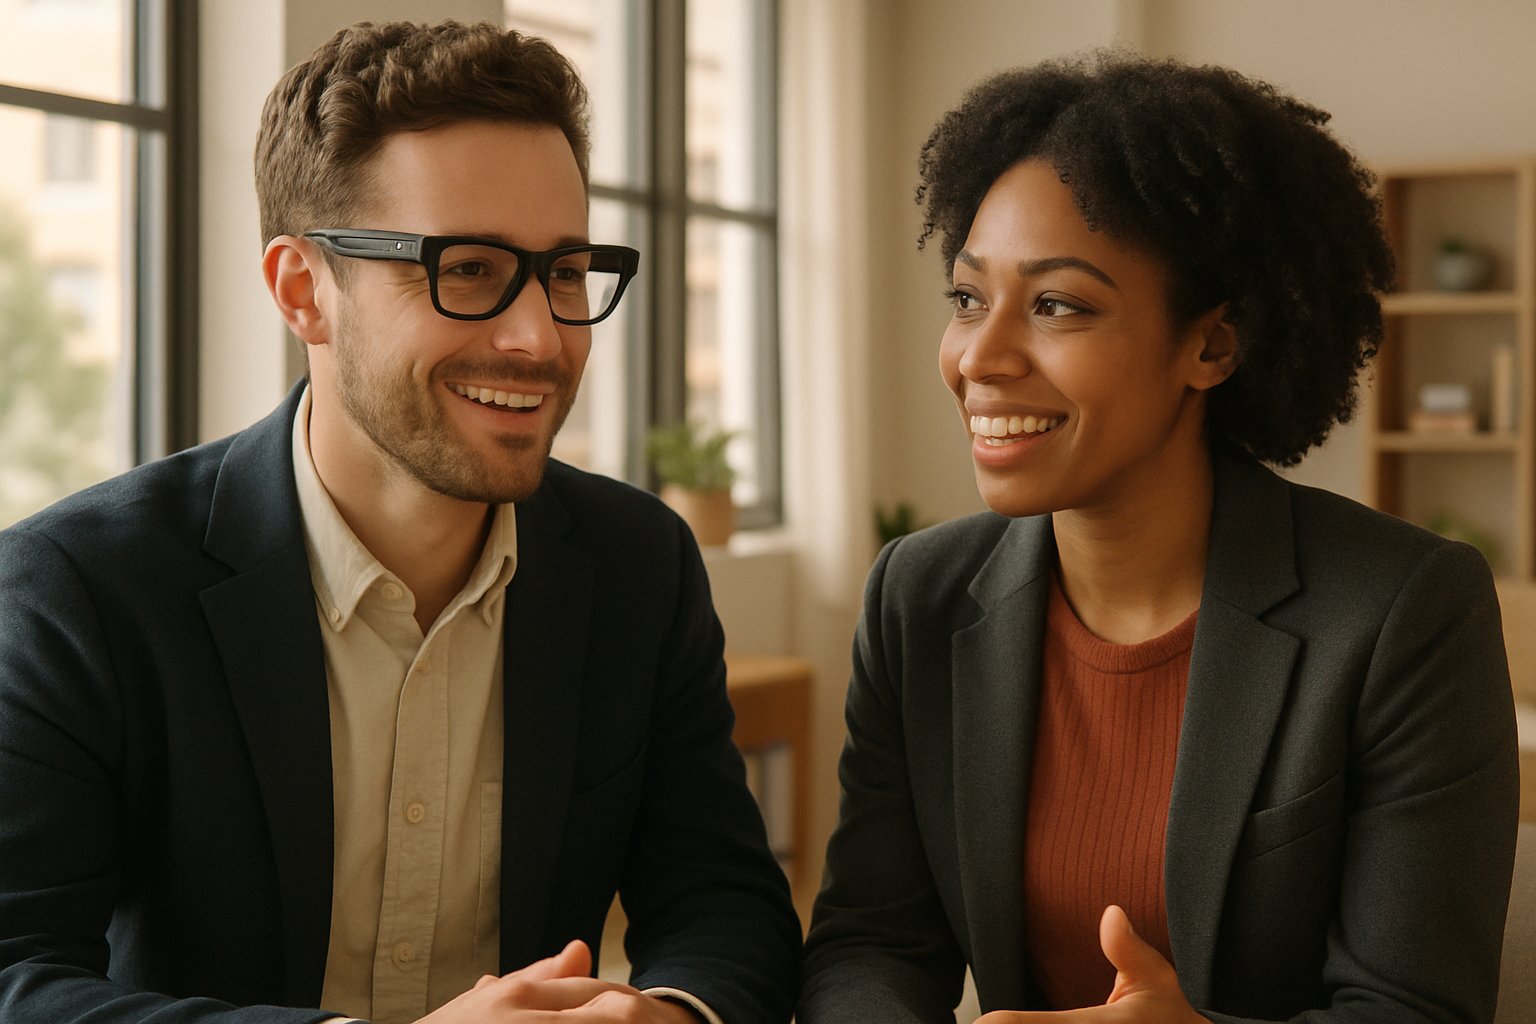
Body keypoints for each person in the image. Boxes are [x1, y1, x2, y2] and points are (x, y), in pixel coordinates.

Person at [0, 20, 799, 1024]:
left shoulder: (641, 566)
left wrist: (672, 1013)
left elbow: (726, 903)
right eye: (467, 268)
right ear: (305, 292)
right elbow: (15, 976)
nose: (539, 337)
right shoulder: (76, 586)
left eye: (563, 272)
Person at [799, 52, 1520, 1023]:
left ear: (1213, 344)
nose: (980, 355)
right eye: (968, 297)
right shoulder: (917, 596)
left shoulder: (1403, 611)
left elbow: (1413, 1008)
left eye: (1058, 304)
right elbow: (874, 941)